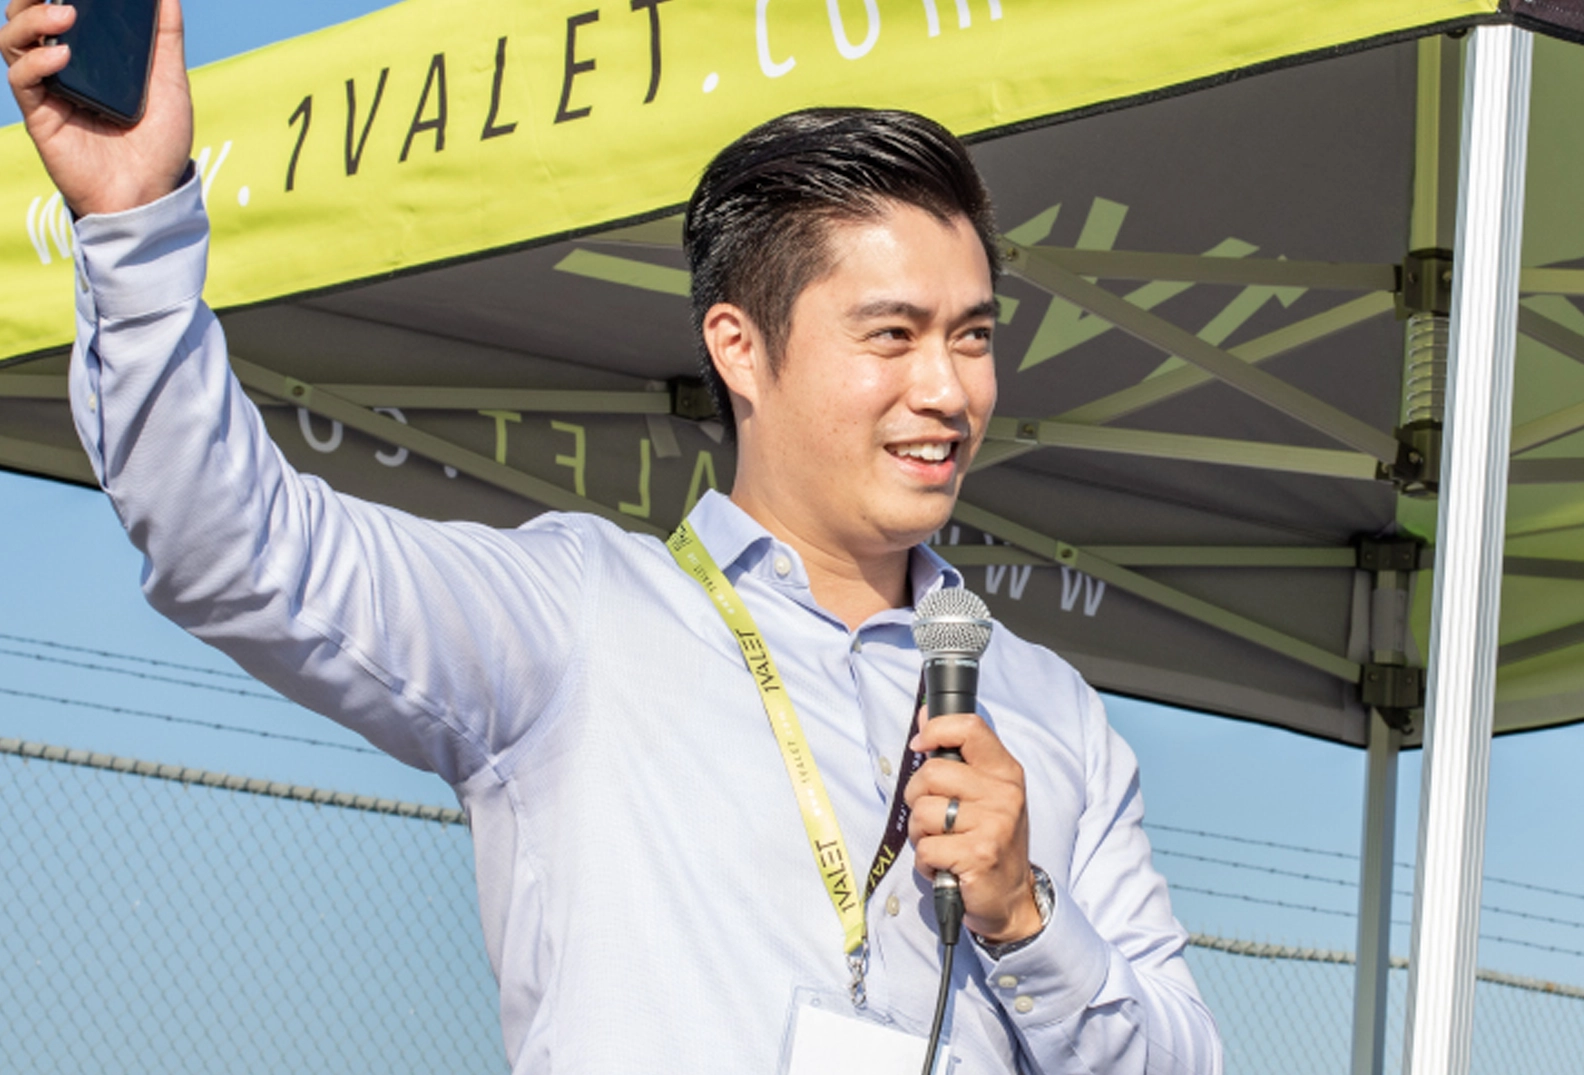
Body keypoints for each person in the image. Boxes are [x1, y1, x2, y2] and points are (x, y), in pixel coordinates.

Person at [4, 1, 1222, 1071]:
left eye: (972, 335)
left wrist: (1027, 917)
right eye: (893, 336)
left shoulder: (1050, 713)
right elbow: (240, 547)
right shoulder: (582, 615)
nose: (949, 390)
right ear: (740, 346)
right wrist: (138, 227)